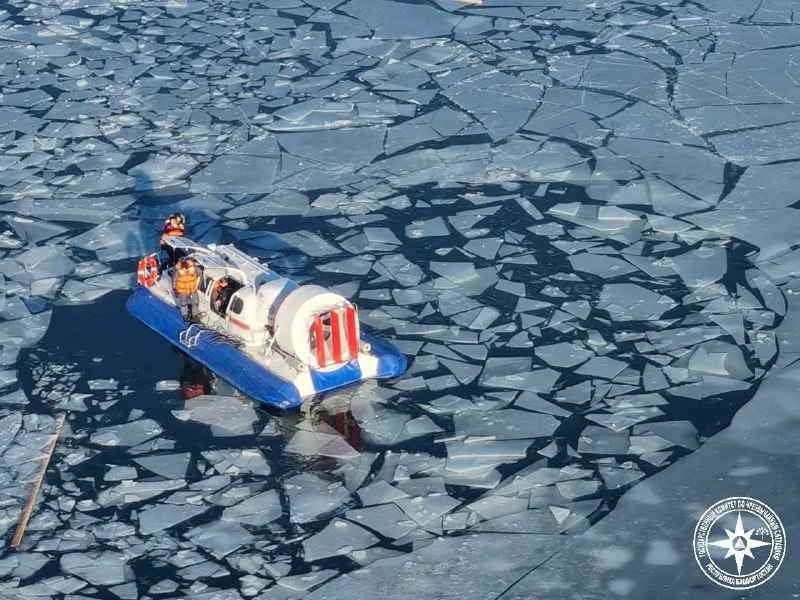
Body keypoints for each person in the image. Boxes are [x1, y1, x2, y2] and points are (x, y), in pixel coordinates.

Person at [174, 258, 201, 323]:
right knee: (183, 304)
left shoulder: (195, 269)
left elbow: (200, 275)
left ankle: (195, 316)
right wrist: (175, 290)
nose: (185, 270)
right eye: (184, 269)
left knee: (195, 302)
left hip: (192, 289)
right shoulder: (178, 272)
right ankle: (185, 316)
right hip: (182, 290)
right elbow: (174, 280)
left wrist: (196, 286)